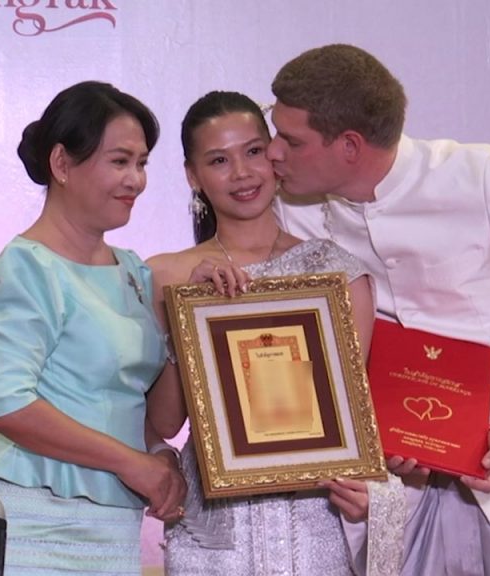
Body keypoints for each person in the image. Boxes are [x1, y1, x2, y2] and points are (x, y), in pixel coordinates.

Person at [268, 44, 490, 576]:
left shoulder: (484, 177)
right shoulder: (294, 211)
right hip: (397, 492)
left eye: (291, 140)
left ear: (350, 145)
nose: (272, 153)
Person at [145, 90, 377, 576]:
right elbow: (164, 422)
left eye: (253, 151)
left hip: (313, 525)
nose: (242, 173)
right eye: (218, 160)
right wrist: (189, 316)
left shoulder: (337, 274)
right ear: (193, 175)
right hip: (213, 533)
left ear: (274, 154)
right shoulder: (165, 276)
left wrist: (369, 495)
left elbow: (352, 419)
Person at [0, 80, 187, 576]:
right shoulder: (26, 265)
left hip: (114, 528)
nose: (136, 180)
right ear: (62, 164)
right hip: (33, 519)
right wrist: (130, 462)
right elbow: (6, 403)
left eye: (142, 163)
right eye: (120, 161)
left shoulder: (134, 272)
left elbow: (148, 413)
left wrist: (156, 453)